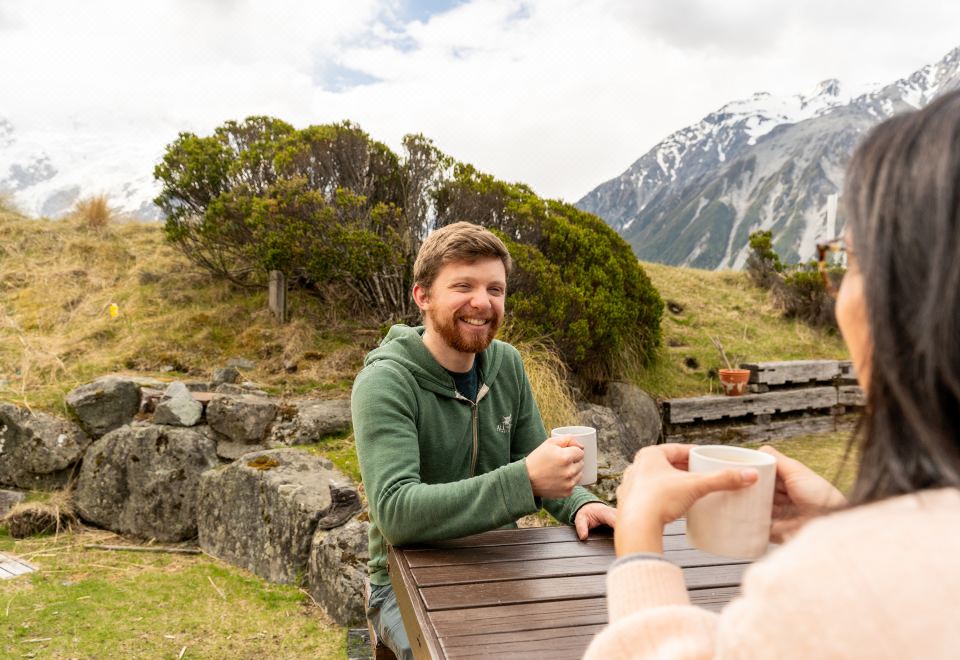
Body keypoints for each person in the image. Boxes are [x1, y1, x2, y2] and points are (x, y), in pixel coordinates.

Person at [585, 89, 960, 659]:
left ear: (915, 298)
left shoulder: (833, 588)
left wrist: (638, 544)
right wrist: (835, 521)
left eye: (847, 261)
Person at [352, 221, 617, 659]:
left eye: (495, 289)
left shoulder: (506, 364)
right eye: (463, 286)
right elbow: (396, 513)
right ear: (422, 296)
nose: (482, 302)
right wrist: (526, 482)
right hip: (403, 582)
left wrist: (581, 504)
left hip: (500, 562)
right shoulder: (385, 383)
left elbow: (534, 457)